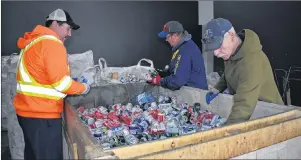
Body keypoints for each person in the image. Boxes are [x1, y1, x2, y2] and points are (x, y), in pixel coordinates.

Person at [13, 8, 92, 160]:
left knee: (33, 155)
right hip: (42, 116)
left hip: (27, 113)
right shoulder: (52, 44)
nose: (69, 34)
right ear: (55, 23)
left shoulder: (34, 42)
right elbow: (62, 84)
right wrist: (84, 87)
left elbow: (42, 77)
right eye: (68, 28)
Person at [202, 18, 284, 125]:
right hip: (250, 109)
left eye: (219, 46)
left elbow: (243, 104)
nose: (216, 53)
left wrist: (226, 131)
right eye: (213, 48)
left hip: (269, 114)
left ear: (231, 36)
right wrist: (217, 88)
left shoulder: (252, 60)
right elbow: (228, 73)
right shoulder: (231, 52)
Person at [148, 21, 208, 91]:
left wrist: (159, 81)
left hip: (195, 94)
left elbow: (177, 81)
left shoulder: (185, 50)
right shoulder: (181, 47)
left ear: (175, 35)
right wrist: (160, 73)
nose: (166, 40)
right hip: (190, 91)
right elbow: (175, 70)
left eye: (167, 37)